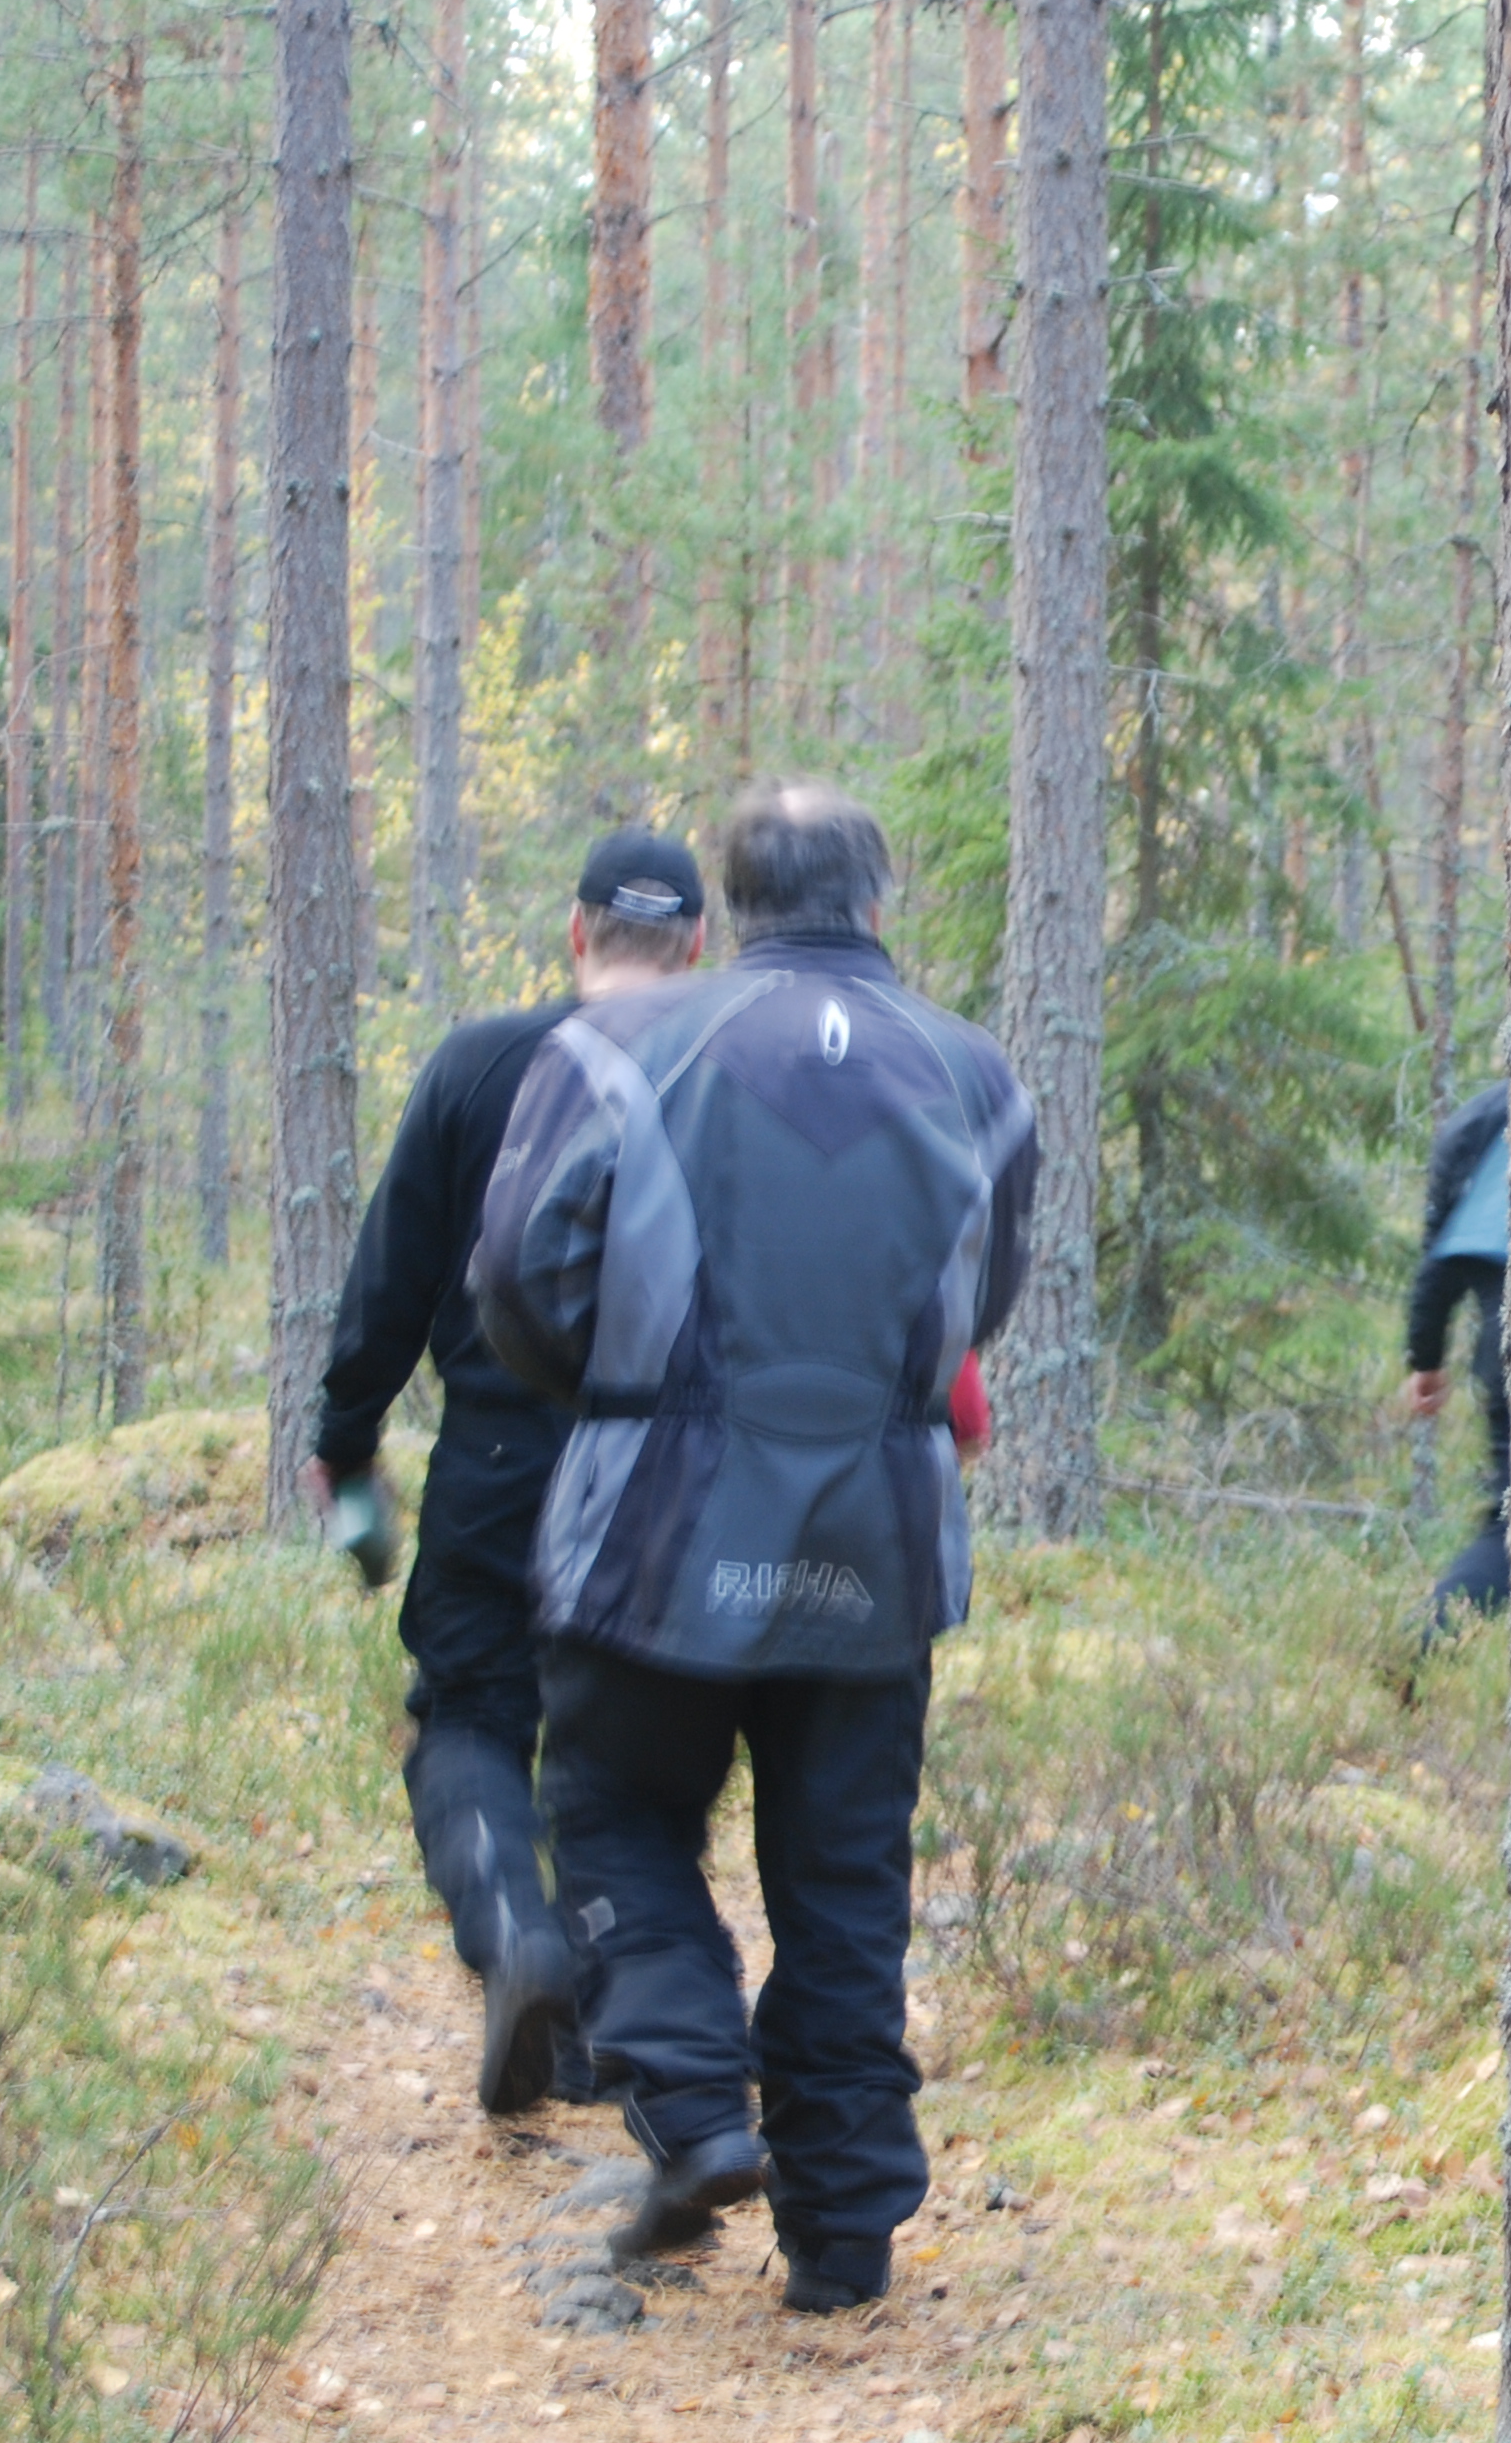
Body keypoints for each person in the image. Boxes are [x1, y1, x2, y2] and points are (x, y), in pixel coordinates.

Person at [472, 783, 1037, 2313]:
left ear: (727, 909)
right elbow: (984, 1294)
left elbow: (518, 1278)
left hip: (650, 1530)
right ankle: (842, 2244)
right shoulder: (976, 1075)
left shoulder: (617, 1046)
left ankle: (695, 2105)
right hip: (880, 1539)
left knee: (615, 1815)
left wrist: (627, 1393)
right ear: (878, 903)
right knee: (845, 1883)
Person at [307, 827, 709, 2116]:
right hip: (670, 1477)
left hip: (498, 1456)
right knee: (630, 1744)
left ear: (577, 933)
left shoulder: (479, 1065)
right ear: (698, 947)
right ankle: (605, 2025)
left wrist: (345, 1440)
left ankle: (514, 1934)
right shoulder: (728, 1075)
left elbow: (388, 1281)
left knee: (472, 1719)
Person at [1402, 1080, 1511, 1629]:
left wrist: (1426, 1360)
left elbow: (1438, 1260)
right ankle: (1429, 1638)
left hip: (1506, 1345)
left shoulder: (1478, 1118)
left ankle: (1431, 1636)